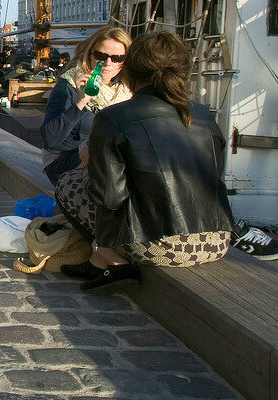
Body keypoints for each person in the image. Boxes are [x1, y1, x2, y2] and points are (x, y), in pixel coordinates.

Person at [54, 31, 238, 293]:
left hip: (160, 246)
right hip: (216, 241)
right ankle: (96, 263)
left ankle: (114, 262)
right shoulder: (203, 114)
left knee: (69, 182)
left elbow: (109, 198)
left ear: (129, 70)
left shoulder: (113, 117)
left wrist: (90, 159)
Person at [40, 26, 132, 185]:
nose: (108, 63)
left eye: (117, 58)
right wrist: (81, 101)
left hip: (103, 157)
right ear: (90, 56)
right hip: (64, 159)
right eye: (101, 56)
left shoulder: (126, 90)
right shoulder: (69, 84)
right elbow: (50, 138)